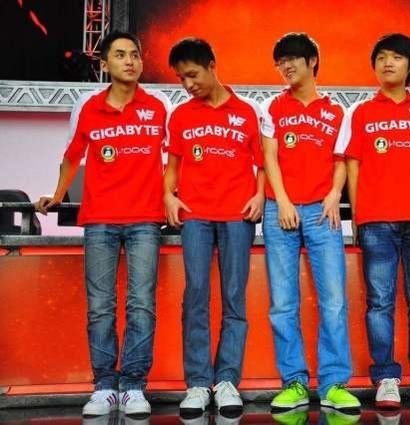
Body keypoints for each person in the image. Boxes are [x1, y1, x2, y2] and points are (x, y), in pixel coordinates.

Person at [35, 30, 169, 416]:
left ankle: (134, 386)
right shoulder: (89, 107)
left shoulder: (158, 106)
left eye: (135, 55)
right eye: (121, 55)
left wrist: (175, 196)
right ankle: (105, 386)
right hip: (100, 220)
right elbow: (72, 156)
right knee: (100, 306)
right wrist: (57, 194)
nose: (130, 61)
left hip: (145, 219)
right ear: (106, 63)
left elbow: (175, 158)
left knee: (141, 304)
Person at [335, 33, 410, 410]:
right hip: (376, 221)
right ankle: (386, 377)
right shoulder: (361, 112)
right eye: (382, 57)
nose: (388, 63)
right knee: (380, 302)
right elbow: (353, 164)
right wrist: (359, 215)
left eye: (397, 57)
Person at [164, 37, 265, 417]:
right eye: (181, 79)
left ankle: (226, 382)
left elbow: (263, 164)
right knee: (196, 295)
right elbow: (172, 168)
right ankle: (197, 383)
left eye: (192, 75)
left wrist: (260, 195)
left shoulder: (247, 112)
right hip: (195, 216)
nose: (188, 84)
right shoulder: (181, 115)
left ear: (212, 65)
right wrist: (168, 196)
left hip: (238, 216)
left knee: (234, 297)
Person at [260, 32, 360, 412]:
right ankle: (295, 383)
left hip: (322, 211)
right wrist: (283, 200)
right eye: (280, 61)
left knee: (333, 300)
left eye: (292, 59)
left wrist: (335, 194)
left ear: (312, 61)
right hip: (280, 210)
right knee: (283, 303)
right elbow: (269, 158)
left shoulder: (336, 111)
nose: (285, 67)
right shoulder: (272, 107)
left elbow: (340, 159)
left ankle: (334, 384)